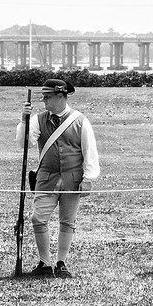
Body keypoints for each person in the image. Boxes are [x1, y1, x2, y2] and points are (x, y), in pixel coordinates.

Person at [16, 78, 100, 278]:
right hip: (46, 177)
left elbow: (90, 151)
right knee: (38, 218)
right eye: (44, 97)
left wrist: (88, 178)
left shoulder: (81, 121)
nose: (44, 101)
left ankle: (61, 263)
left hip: (73, 178)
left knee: (67, 221)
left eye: (48, 97)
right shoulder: (38, 119)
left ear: (61, 96)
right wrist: (23, 120)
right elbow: (24, 143)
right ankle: (45, 263)